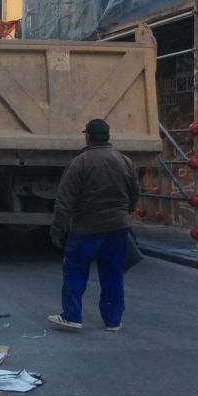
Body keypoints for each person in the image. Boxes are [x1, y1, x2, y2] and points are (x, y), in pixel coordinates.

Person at [48, 119, 140, 332]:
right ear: (108, 136)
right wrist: (124, 214)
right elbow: (135, 193)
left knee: (75, 270)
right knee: (113, 273)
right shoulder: (125, 161)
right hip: (118, 227)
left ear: (87, 137)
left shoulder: (79, 163)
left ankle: (72, 316)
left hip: (86, 228)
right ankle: (113, 321)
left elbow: (65, 202)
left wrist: (57, 230)